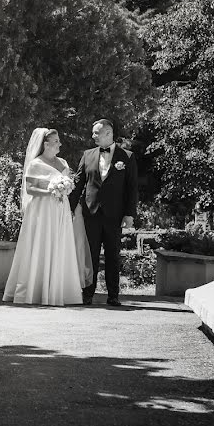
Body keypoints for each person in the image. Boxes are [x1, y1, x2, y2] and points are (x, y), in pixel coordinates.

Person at [3, 128, 90, 306]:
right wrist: (51, 190)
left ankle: (60, 290)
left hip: (60, 209)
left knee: (60, 244)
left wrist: (65, 189)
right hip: (42, 210)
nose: (60, 144)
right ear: (46, 144)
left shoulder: (63, 162)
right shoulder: (35, 164)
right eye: (56, 140)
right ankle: (37, 290)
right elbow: (30, 189)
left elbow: (69, 184)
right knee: (42, 244)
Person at [70, 118, 138, 306]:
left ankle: (113, 295)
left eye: (96, 133)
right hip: (90, 213)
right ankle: (87, 293)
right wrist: (68, 208)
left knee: (112, 255)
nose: (93, 136)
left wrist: (129, 214)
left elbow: (132, 188)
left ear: (108, 133)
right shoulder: (88, 154)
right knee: (89, 254)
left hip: (115, 214)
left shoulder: (127, 157)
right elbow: (78, 183)